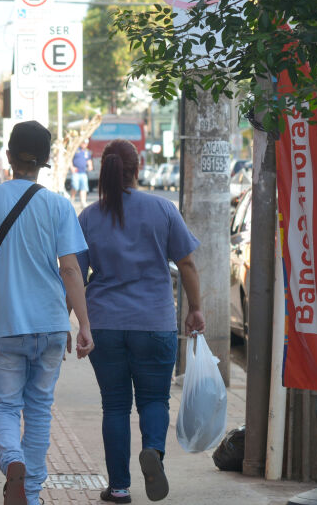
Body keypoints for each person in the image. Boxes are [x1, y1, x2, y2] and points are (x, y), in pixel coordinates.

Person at [0, 120, 94, 505]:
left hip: (2, 325)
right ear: (46, 161)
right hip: (49, 325)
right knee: (39, 409)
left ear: (9, 157)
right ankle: (30, 494)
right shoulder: (58, 206)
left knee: (4, 405)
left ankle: (12, 460)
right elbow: (70, 269)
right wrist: (83, 324)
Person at [76, 139, 205, 504]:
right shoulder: (162, 209)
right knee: (154, 400)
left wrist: (71, 321)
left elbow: (74, 273)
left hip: (105, 325)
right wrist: (194, 308)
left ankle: (118, 488)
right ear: (140, 166)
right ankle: (153, 452)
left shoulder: (89, 216)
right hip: (154, 322)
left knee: (115, 405)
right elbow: (188, 264)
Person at [70, 140, 93, 209]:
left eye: (86, 143)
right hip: (76, 172)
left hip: (83, 172)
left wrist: (90, 166)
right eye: (83, 143)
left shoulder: (87, 152)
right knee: (75, 186)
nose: (84, 144)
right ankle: (72, 199)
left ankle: (83, 202)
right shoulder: (76, 150)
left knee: (84, 187)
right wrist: (72, 167)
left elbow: (89, 160)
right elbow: (70, 159)